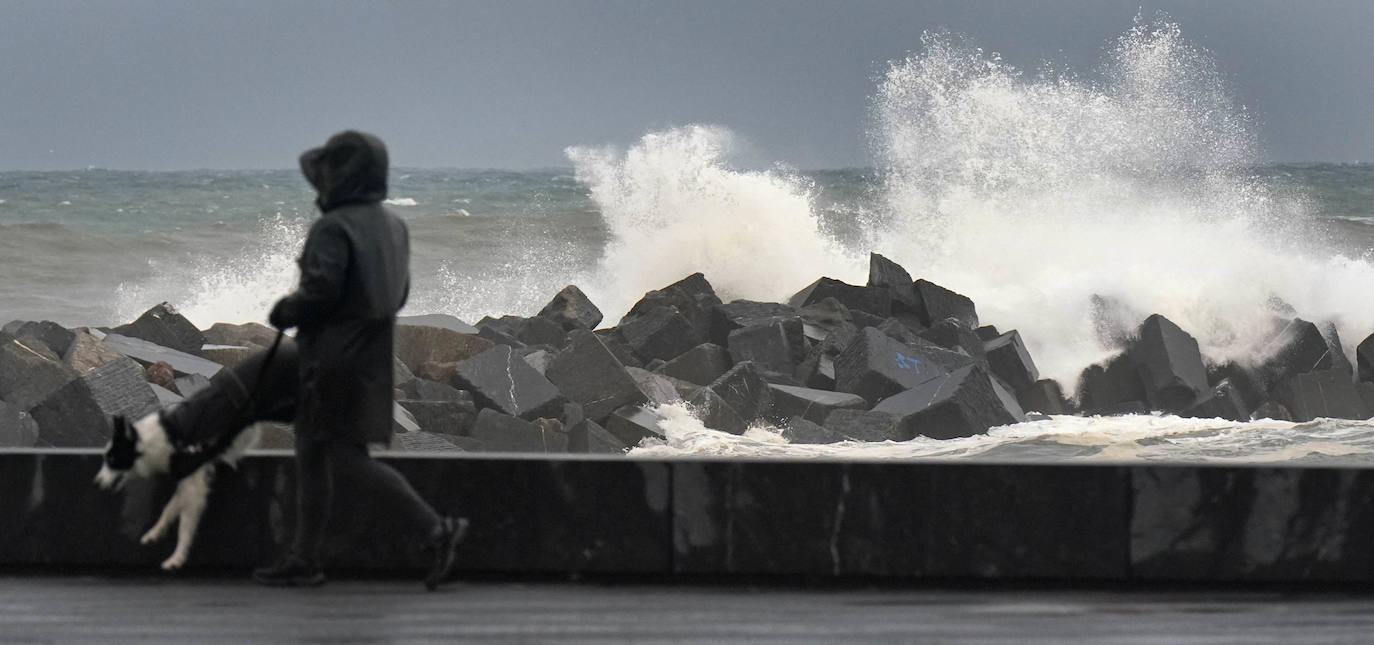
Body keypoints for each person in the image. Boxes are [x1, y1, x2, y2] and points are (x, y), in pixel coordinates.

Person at [252, 130, 468, 590]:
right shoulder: (394, 227)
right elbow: (400, 292)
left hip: (331, 360)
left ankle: (436, 529)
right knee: (311, 451)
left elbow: (322, 290)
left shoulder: (333, 227)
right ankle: (303, 558)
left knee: (346, 459)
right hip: (371, 357)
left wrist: (287, 310)